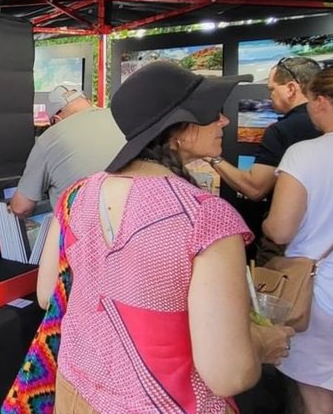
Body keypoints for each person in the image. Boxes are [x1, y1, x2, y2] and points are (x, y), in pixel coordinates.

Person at [34, 62, 293, 412]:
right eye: (213, 113)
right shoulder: (206, 218)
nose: (224, 121)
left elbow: (48, 292)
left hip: (76, 391)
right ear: (179, 130)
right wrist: (263, 342)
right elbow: (228, 374)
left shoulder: (76, 195)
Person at [262, 64, 333, 414]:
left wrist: (269, 226)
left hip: (321, 298)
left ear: (320, 102)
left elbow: (281, 229)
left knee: (317, 400)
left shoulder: (305, 154)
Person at [209, 57, 321, 251]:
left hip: (292, 247)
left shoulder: (282, 130)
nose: (269, 96)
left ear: (291, 88)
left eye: (272, 89)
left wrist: (212, 157)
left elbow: (254, 188)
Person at [9, 83, 124, 217]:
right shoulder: (122, 119)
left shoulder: (51, 137)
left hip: (84, 230)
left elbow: (21, 208)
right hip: (136, 223)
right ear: (87, 102)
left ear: (57, 120)